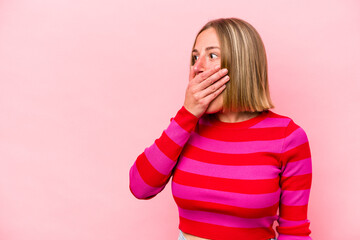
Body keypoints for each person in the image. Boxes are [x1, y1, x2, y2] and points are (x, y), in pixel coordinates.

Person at [129, 17, 312, 240]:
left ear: (242, 64)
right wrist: (187, 115)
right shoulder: (187, 127)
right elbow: (140, 187)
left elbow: (295, 232)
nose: (197, 67)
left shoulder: (288, 137)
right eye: (195, 57)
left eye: (212, 55)